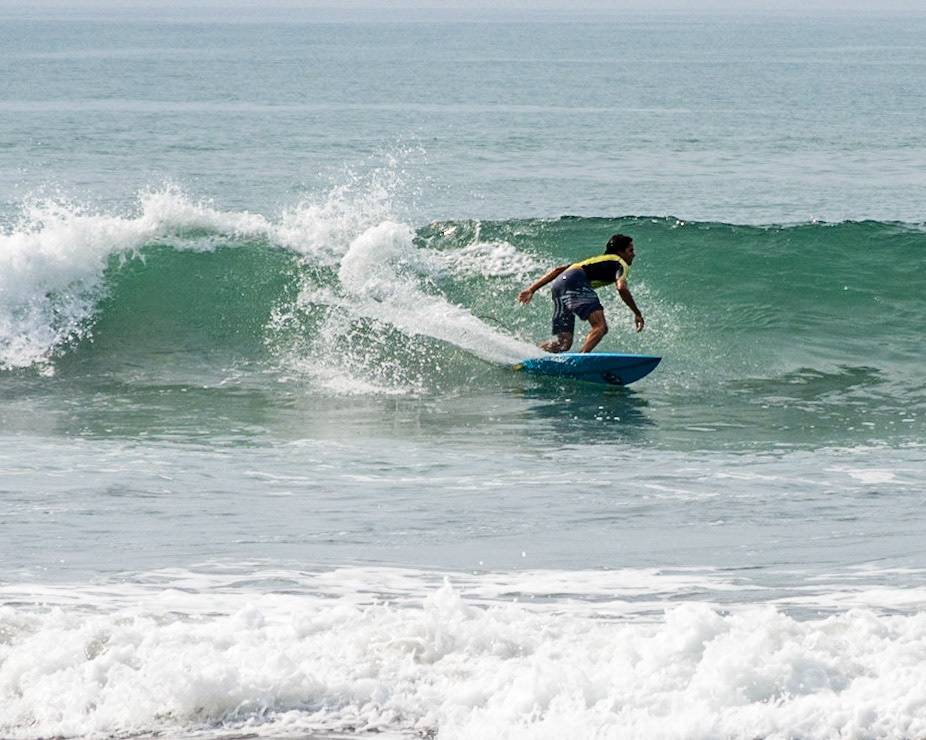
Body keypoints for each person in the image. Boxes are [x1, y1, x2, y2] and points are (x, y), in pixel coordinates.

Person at [517, 233, 644, 353]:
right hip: (575, 281)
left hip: (558, 285)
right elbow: (621, 287)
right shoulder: (620, 263)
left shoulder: (597, 260)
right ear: (620, 252)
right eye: (631, 251)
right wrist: (637, 313)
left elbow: (558, 271)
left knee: (564, 343)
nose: (634, 254)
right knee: (600, 326)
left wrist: (531, 290)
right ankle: (583, 357)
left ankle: (532, 355)